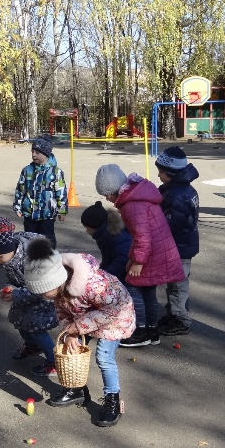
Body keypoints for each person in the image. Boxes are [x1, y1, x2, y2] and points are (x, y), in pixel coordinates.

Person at [23, 237, 135, 427]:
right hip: (87, 318)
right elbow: (63, 313)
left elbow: (113, 310)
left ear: (55, 282)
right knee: (70, 349)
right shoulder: (58, 291)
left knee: (104, 357)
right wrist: (70, 334)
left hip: (116, 317)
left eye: (43, 292)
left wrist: (77, 327)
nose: (42, 297)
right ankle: (77, 389)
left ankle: (112, 399)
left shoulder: (93, 285)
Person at [95, 163, 184, 348]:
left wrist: (137, 262)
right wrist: (132, 258)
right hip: (157, 251)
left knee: (133, 287)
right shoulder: (136, 196)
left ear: (114, 189)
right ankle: (152, 330)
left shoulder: (131, 205)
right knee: (148, 291)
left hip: (150, 254)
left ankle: (140, 331)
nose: (107, 198)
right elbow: (139, 237)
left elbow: (142, 236)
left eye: (107, 194)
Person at [0, 217, 59, 376]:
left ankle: (54, 361)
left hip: (43, 298)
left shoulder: (33, 259)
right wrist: (10, 287)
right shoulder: (9, 258)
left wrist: (16, 294)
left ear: (10, 249)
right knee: (21, 323)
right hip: (25, 295)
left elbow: (41, 287)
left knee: (37, 329)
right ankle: (32, 345)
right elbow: (14, 278)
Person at [155, 146, 200, 336]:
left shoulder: (177, 196)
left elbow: (170, 225)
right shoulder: (178, 189)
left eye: (161, 172)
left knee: (178, 286)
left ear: (171, 173)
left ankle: (181, 319)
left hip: (179, 247)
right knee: (174, 284)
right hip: (181, 244)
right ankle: (173, 313)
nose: (158, 175)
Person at [13, 136, 68, 248]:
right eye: (32, 151)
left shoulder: (56, 172)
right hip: (29, 214)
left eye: (37, 152)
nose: (34, 155)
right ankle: (31, 257)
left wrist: (62, 211)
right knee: (30, 240)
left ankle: (50, 256)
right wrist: (18, 206)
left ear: (46, 154)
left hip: (47, 215)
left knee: (48, 240)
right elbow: (20, 189)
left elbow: (61, 192)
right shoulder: (27, 170)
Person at [80, 201, 132, 284]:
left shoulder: (115, 236)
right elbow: (107, 259)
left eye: (87, 228)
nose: (86, 231)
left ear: (94, 226)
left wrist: (106, 276)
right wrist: (100, 273)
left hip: (132, 273)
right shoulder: (103, 234)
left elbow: (122, 259)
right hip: (122, 271)